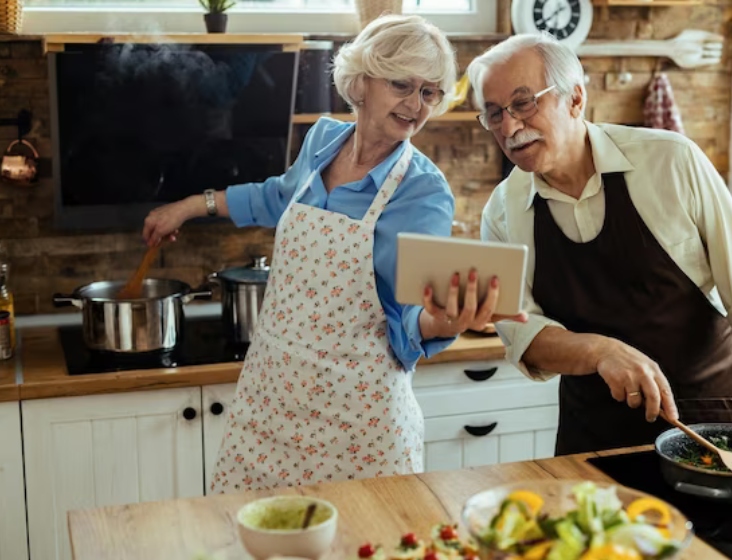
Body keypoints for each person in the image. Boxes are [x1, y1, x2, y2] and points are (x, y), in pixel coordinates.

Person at [143, 15, 524, 491]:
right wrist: (191, 206)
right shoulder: (323, 139)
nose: (415, 105)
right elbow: (278, 195)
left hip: (357, 430)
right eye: (401, 84)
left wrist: (449, 319)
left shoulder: (422, 192)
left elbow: (408, 318)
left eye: (429, 92)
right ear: (361, 81)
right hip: (270, 406)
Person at [466, 32, 732, 455]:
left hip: (711, 422)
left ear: (575, 99)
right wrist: (600, 351)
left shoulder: (671, 161)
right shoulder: (502, 212)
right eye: (494, 114)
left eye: (523, 103)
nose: (509, 127)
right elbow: (523, 334)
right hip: (593, 438)